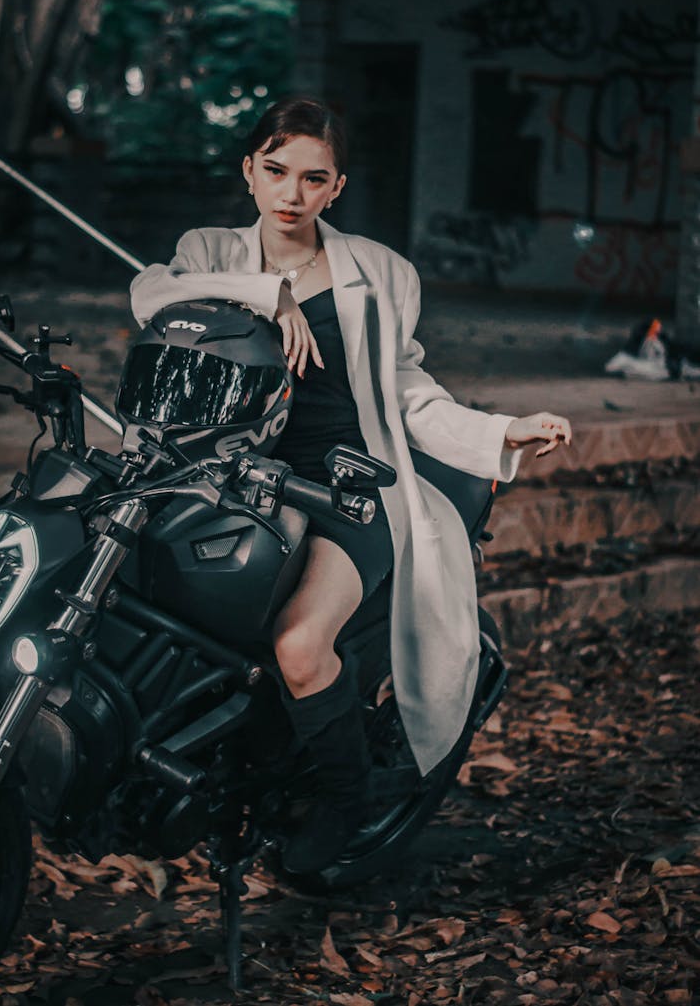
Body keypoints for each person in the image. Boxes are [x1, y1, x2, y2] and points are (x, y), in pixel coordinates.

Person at [129, 96, 572, 873]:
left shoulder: (381, 270)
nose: (290, 193)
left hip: (347, 486)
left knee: (299, 643)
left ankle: (346, 797)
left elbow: (407, 389)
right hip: (230, 476)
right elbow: (150, 296)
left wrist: (500, 429)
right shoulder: (209, 249)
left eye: (312, 178)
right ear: (249, 172)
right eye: (275, 171)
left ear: (336, 188)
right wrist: (271, 295)